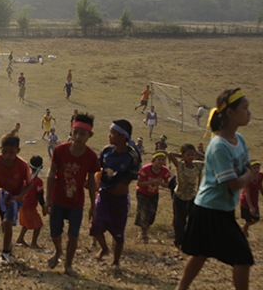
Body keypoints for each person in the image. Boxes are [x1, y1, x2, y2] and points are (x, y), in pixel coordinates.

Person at [172, 88, 263, 290]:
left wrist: (243, 174)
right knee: (243, 257)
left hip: (217, 208)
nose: (248, 113)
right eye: (245, 108)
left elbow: (242, 170)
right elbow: (233, 182)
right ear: (231, 113)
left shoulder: (239, 140)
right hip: (211, 209)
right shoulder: (219, 145)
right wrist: (246, 177)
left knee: (202, 252)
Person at [45, 113, 100, 276]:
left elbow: (91, 182)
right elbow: (51, 173)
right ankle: (58, 251)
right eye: (75, 132)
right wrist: (48, 199)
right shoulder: (60, 150)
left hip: (76, 202)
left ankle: (68, 265)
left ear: (89, 135)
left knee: (73, 235)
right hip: (57, 199)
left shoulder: (91, 156)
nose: (77, 136)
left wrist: (93, 205)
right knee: (55, 233)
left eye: (82, 134)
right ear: (71, 130)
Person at [90, 119, 141, 266]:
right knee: (96, 225)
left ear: (123, 137)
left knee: (118, 234)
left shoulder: (131, 156)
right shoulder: (107, 152)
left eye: (113, 133)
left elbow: (129, 178)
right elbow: (97, 169)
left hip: (120, 200)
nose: (109, 136)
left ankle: (116, 262)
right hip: (104, 195)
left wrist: (115, 177)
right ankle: (104, 249)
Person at [0, 133, 32, 265]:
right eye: (4, 152)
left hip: (16, 197)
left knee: (7, 222)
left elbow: (30, 183)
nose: (8, 156)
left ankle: (5, 253)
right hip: (3, 197)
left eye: (11, 153)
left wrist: (20, 196)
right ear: (0, 149)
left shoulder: (22, 165)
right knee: (4, 224)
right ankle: (9, 246)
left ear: (18, 151)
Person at [167, 144, 204, 248]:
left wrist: (198, 154)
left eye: (193, 155)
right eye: (188, 155)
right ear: (183, 155)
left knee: (192, 219)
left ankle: (189, 239)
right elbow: (170, 154)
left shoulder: (198, 165)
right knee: (179, 220)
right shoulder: (180, 165)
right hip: (179, 196)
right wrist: (181, 155)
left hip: (192, 196)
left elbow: (209, 161)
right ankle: (179, 241)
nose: (191, 157)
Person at [135, 152, 171, 243]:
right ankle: (143, 233)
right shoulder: (145, 169)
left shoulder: (165, 171)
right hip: (142, 193)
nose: (161, 162)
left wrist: (161, 183)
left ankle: (145, 231)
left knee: (152, 213)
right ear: (153, 161)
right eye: (159, 159)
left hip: (154, 194)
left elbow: (167, 185)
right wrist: (150, 182)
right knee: (144, 212)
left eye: (163, 160)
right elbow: (139, 183)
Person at [17, 156, 45, 249]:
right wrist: (44, 206)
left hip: (22, 204)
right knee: (38, 225)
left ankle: (20, 239)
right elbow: (40, 196)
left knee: (25, 223)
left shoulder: (25, 178)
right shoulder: (38, 181)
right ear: (41, 167)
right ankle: (34, 243)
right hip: (29, 206)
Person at [240, 161, 263, 238]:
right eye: (254, 168)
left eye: (257, 168)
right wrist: (251, 207)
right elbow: (246, 194)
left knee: (256, 219)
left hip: (254, 200)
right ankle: (244, 231)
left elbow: (260, 187)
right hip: (245, 202)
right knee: (249, 220)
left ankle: (243, 227)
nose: (256, 170)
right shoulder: (247, 179)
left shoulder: (260, 176)